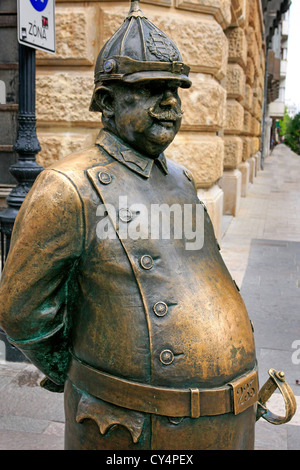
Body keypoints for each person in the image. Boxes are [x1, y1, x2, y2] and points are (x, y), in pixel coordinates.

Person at [0, 1, 258, 449]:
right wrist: (83, 373)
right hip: (134, 428)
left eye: (175, 91)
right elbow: (22, 313)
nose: (169, 105)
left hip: (230, 422)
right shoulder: (68, 187)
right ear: (106, 101)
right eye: (151, 90)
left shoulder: (179, 177)